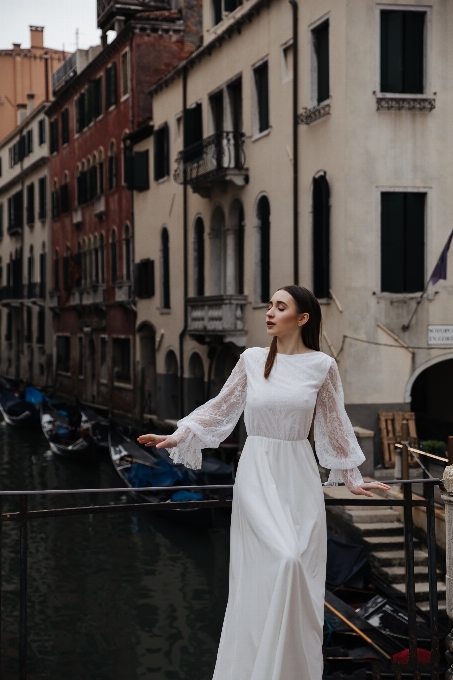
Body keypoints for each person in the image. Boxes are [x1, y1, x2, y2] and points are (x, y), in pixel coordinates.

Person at [138, 285, 389, 680]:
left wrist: (352, 478)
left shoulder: (322, 366)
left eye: (280, 306)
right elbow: (221, 408)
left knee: (299, 574)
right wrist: (178, 436)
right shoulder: (252, 360)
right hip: (257, 472)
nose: (269, 312)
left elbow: (335, 424)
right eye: (269, 305)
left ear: (302, 318)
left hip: (299, 476)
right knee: (284, 561)